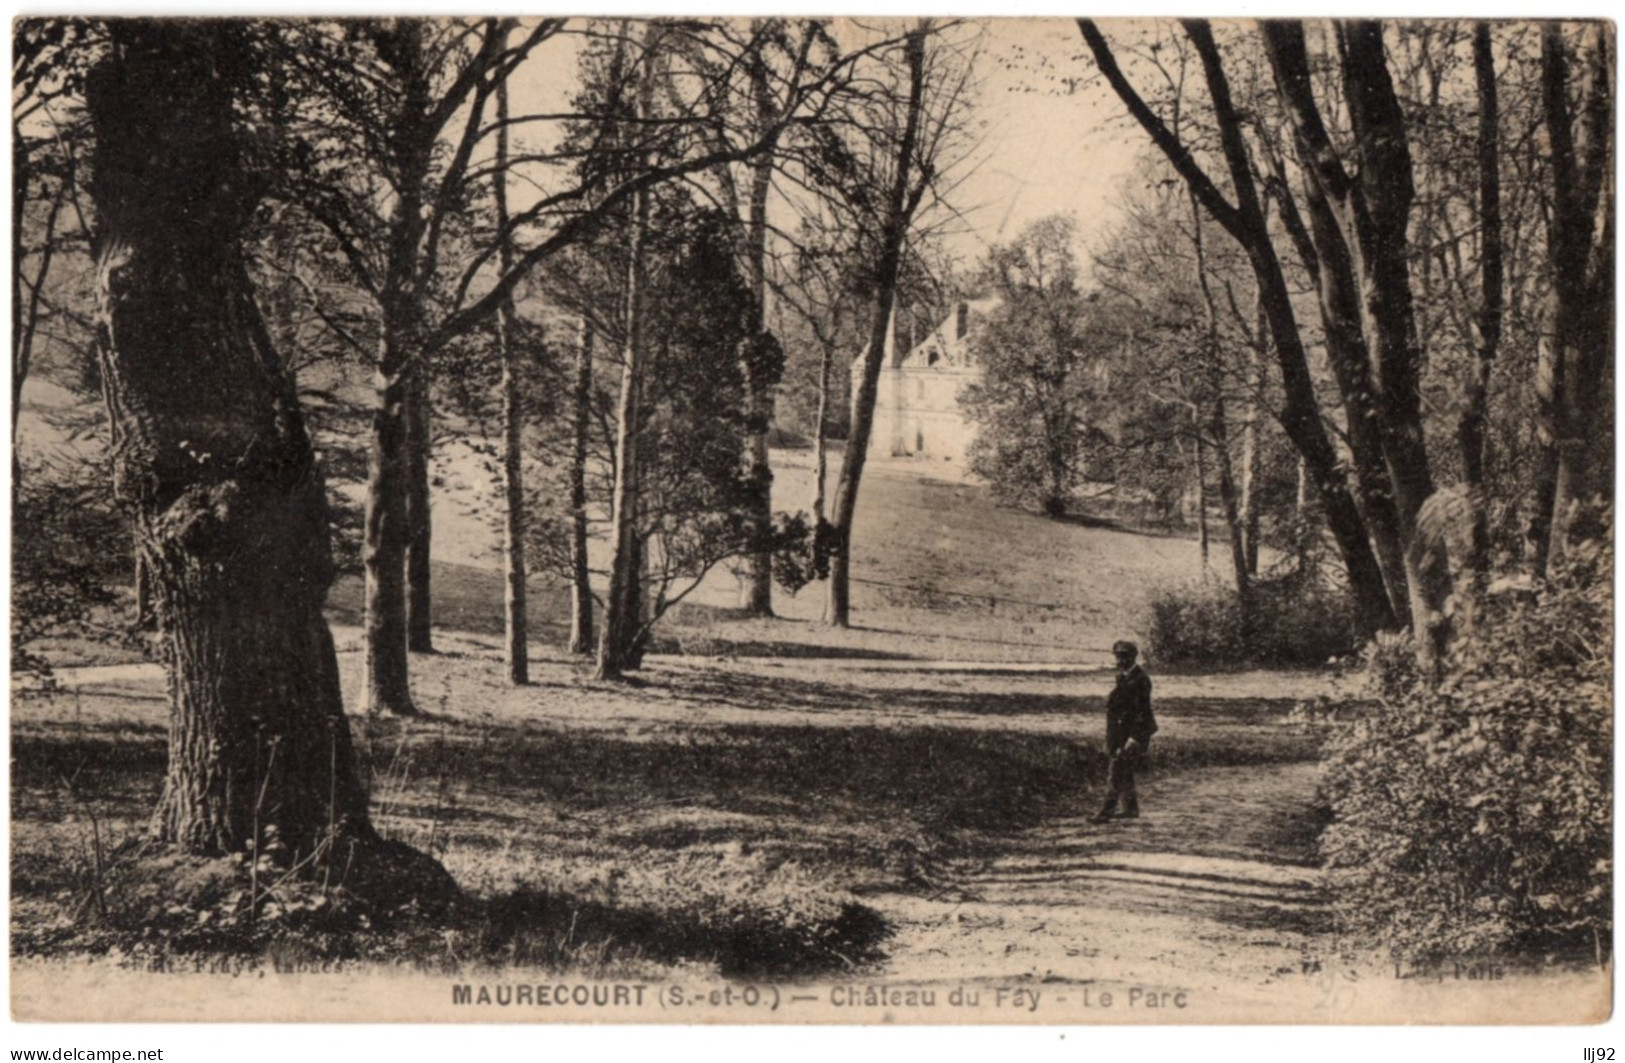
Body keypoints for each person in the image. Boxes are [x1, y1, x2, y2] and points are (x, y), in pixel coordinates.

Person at [1092, 639, 1157, 822]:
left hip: (1133, 735)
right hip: (1120, 734)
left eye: (1124, 657)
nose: (1120, 661)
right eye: (1118, 657)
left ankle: (1106, 812)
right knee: (1124, 770)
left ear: (1134, 657)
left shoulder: (1140, 679)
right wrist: (1111, 739)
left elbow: (1142, 713)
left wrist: (1134, 738)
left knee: (1116, 771)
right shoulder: (1123, 677)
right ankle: (1130, 809)